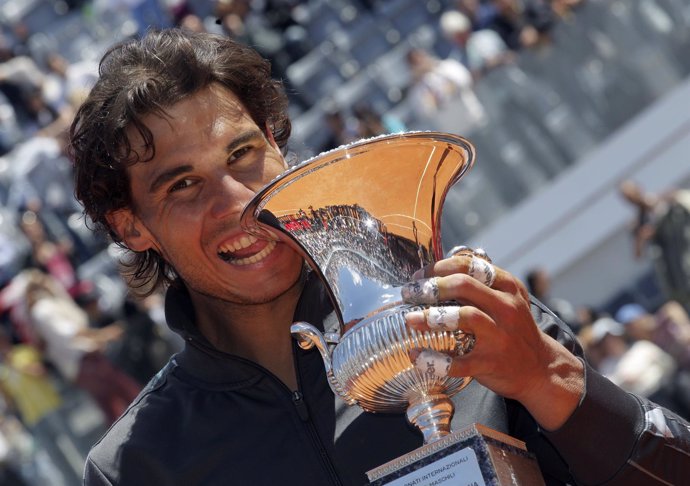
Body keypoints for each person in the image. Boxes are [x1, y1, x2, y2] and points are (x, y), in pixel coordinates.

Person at [68, 29, 690, 485]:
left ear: (281, 151)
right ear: (131, 226)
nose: (236, 203)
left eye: (242, 156)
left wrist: (550, 381)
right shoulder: (136, 467)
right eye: (182, 185)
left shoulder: (463, 321)